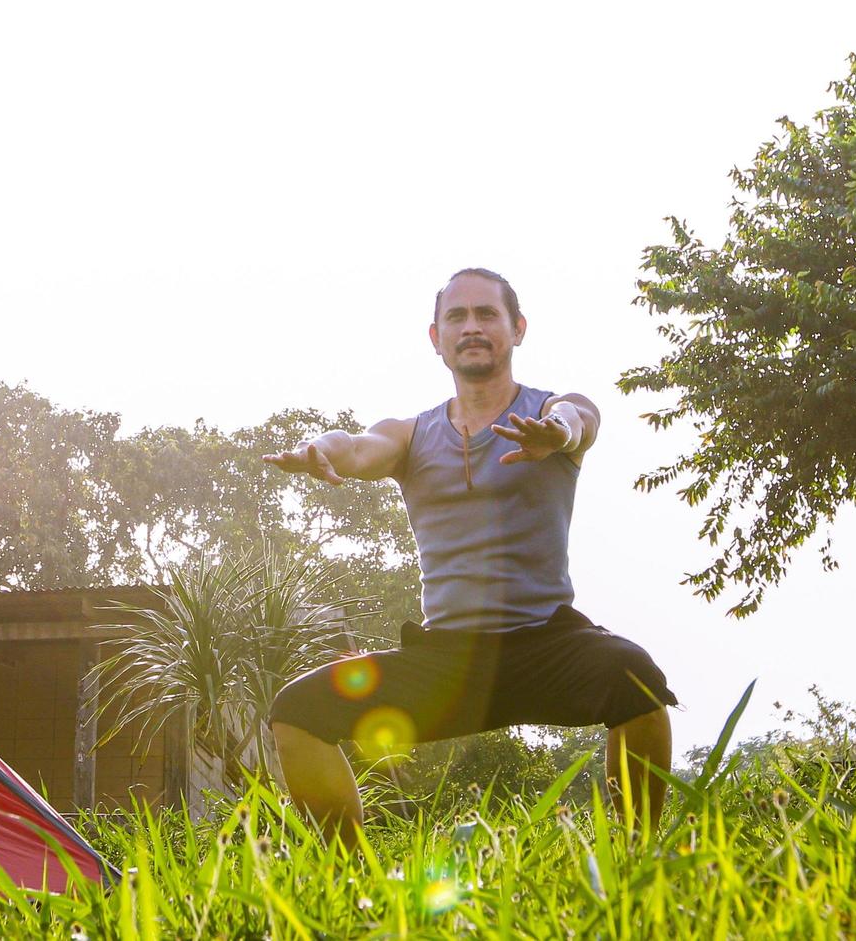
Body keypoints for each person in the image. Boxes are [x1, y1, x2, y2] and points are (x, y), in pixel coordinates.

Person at [261, 267, 676, 843]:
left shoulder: (547, 411)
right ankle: (351, 884)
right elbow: (358, 447)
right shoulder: (411, 435)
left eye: (487, 314)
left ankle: (637, 859)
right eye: (457, 316)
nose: (472, 326)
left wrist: (556, 433)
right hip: (447, 663)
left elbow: (581, 417)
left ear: (518, 329)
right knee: (297, 710)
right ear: (436, 338)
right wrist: (323, 448)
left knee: (635, 678)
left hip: (545, 644)